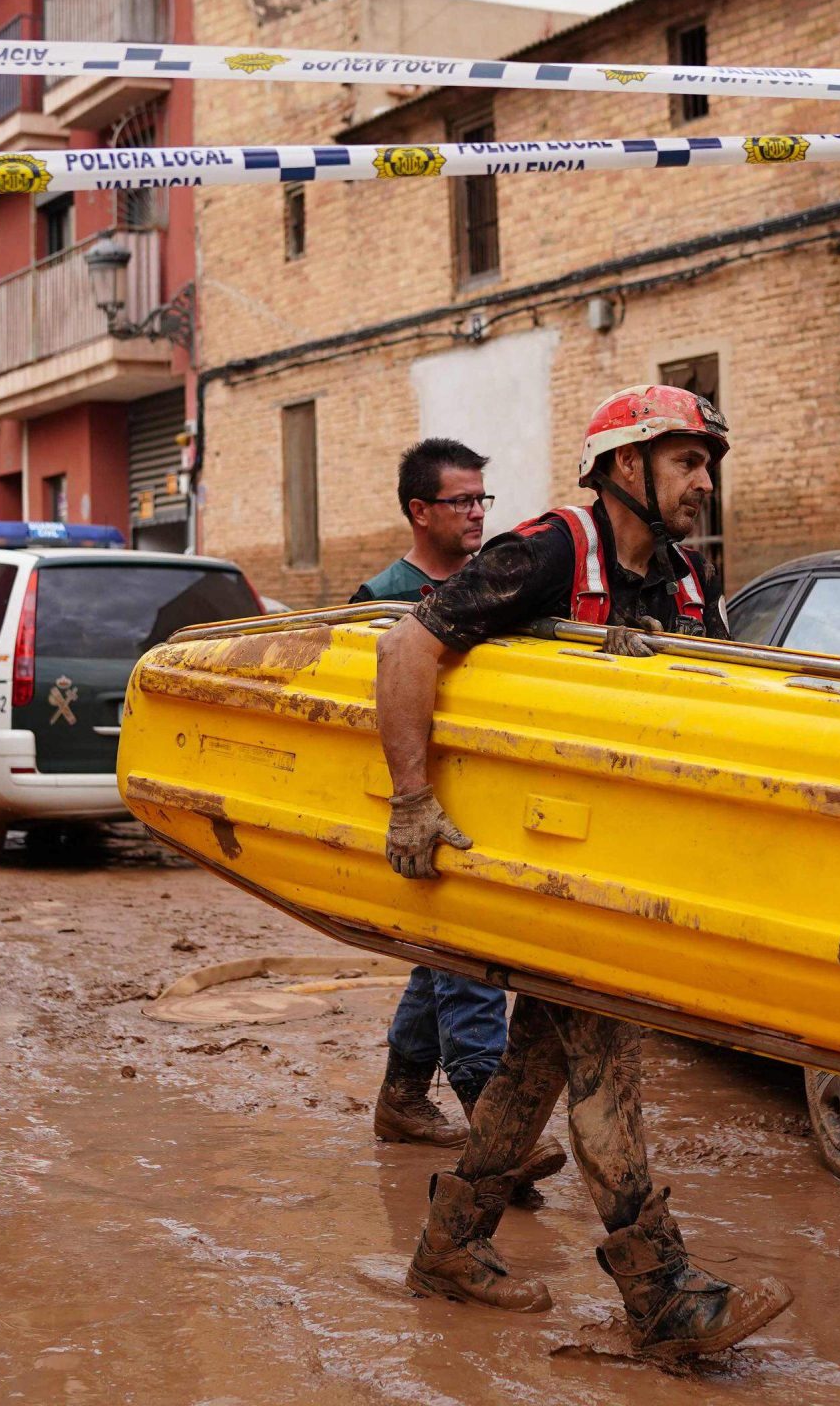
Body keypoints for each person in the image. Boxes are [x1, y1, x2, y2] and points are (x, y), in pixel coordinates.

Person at [375, 384, 790, 1361]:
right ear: (625, 466)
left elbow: (728, 708)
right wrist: (410, 799)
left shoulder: (686, 581)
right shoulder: (548, 552)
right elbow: (407, 646)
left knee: (537, 1063)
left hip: (617, 863)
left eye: (707, 464)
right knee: (604, 1059)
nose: (703, 482)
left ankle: (447, 1246)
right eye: (686, 461)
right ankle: (663, 1296)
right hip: (533, 860)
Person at [351, 438, 522, 1154]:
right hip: (419, 800)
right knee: (466, 949)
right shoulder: (380, 599)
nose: (478, 513)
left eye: (483, 498)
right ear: (420, 511)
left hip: (490, 795)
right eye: (462, 501)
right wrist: (405, 800)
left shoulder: (497, 582)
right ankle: (495, 1129)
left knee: (443, 950)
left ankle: (402, 1098)